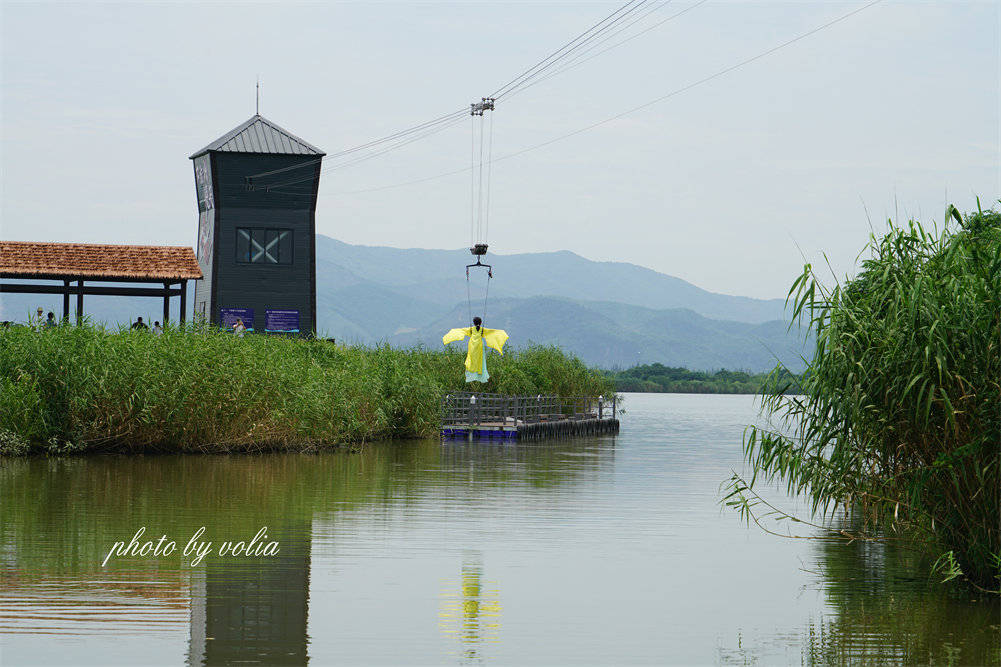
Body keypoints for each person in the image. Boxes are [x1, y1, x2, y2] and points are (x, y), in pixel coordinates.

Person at [442, 316, 508, 383]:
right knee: (479, 359)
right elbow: (492, 332)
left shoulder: (470, 329)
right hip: (479, 346)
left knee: (471, 358)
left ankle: (472, 371)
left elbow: (461, 331)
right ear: (481, 322)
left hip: (472, 346)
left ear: (474, 323)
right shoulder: (482, 330)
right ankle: (479, 372)